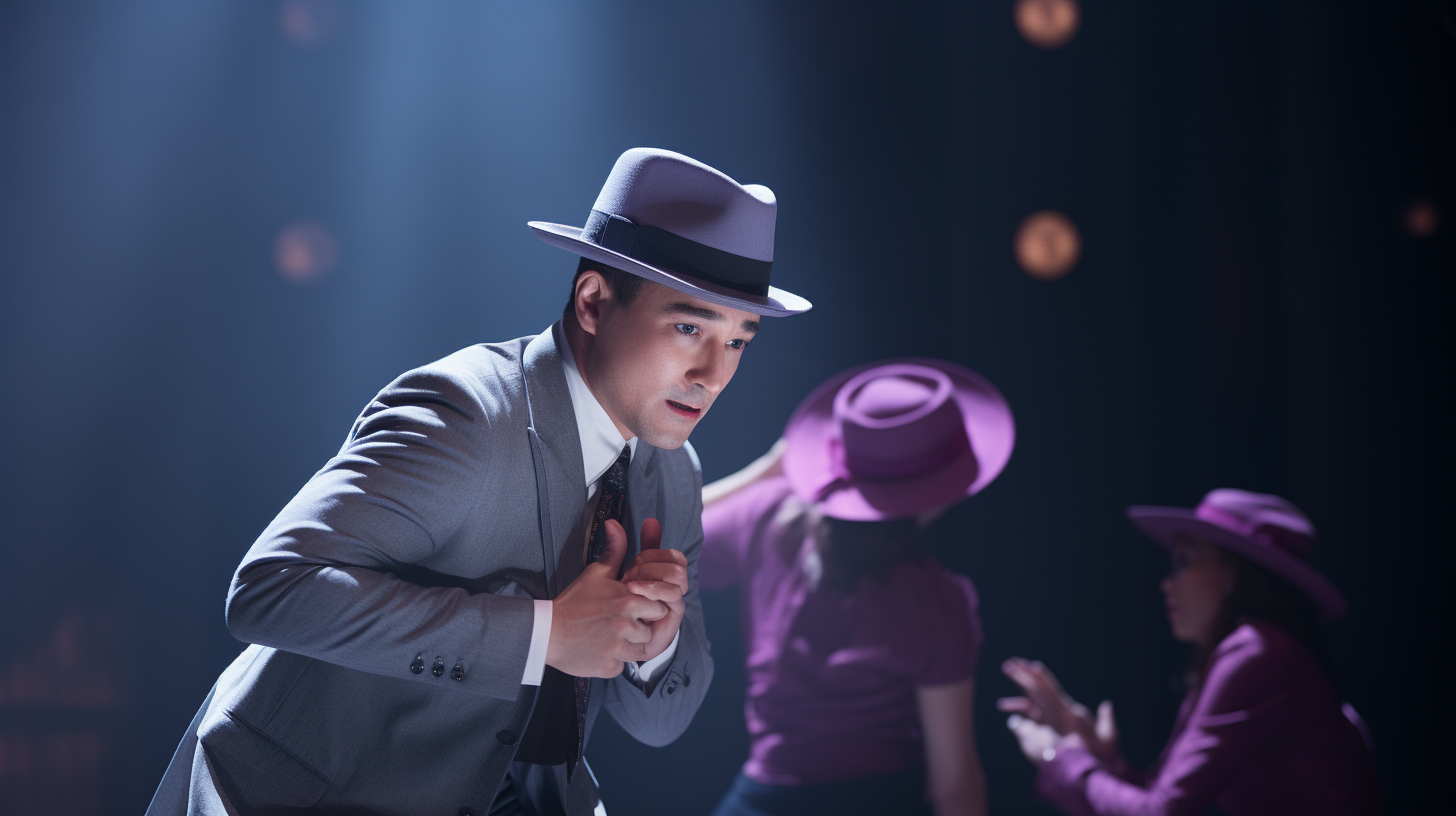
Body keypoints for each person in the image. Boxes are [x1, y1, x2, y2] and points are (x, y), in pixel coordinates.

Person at [144, 147, 812, 816]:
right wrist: (545, 635)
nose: (712, 373)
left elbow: (661, 724)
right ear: (592, 302)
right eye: (689, 326)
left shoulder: (673, 475)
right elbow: (267, 591)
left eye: (738, 341)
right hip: (308, 792)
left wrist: (655, 644)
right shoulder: (466, 416)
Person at [698, 359, 1017, 816]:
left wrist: (767, 471)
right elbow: (954, 786)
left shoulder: (768, 517)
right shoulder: (940, 600)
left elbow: (656, 525)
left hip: (765, 799)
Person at [1001, 488, 1382, 816]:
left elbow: (1161, 812)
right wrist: (1101, 760)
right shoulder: (1250, 653)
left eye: (1184, 561)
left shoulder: (1258, 652)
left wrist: (1062, 757)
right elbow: (1160, 801)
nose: (1167, 584)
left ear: (1232, 572)